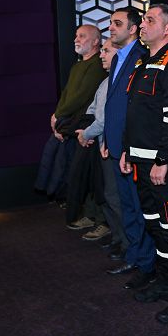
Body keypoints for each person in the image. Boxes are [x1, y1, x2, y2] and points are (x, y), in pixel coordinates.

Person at [120, 4, 168, 321]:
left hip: (163, 165)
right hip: (140, 161)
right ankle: (166, 281)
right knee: (155, 225)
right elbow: (136, 113)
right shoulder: (144, 61)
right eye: (143, 20)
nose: (143, 24)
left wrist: (163, 158)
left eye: (150, 20)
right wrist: (127, 150)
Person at [103, 7, 155, 288]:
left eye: (117, 23)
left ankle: (148, 264)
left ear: (133, 29)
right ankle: (135, 256)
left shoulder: (142, 58)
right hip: (115, 145)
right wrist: (106, 138)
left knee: (138, 207)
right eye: (111, 23)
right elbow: (114, 104)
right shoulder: (118, 58)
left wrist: (127, 145)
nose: (111, 27)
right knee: (127, 207)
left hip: (131, 148)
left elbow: (137, 109)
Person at [55, 25, 107, 230]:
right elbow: (67, 93)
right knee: (78, 174)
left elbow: (80, 97)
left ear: (96, 41)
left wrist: (58, 116)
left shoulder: (97, 66)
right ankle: (90, 215)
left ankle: (101, 221)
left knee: (92, 177)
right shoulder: (77, 66)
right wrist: (57, 116)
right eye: (76, 35)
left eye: (82, 36)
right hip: (73, 127)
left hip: (90, 128)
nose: (76, 39)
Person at [75, 40, 125, 252]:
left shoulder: (117, 81)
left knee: (114, 197)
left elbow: (104, 119)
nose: (102, 55)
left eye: (106, 51)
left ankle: (126, 244)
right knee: (106, 195)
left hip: (112, 148)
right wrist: (86, 131)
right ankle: (119, 238)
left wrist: (86, 134)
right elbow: (92, 110)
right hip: (102, 144)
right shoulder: (105, 82)